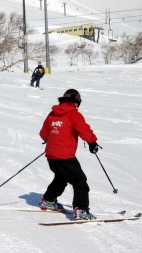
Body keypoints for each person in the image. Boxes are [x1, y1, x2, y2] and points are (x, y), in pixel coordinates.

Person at [38, 89, 100, 220]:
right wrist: (92, 142)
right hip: (65, 156)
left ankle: (48, 200)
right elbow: (84, 130)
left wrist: (52, 141)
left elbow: (44, 132)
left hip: (51, 155)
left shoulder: (52, 114)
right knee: (80, 182)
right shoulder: (74, 115)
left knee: (61, 178)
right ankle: (81, 210)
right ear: (76, 102)